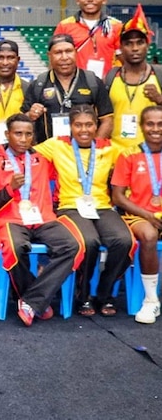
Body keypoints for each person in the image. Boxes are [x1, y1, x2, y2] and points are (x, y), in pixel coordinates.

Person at [34, 104, 134, 317]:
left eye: (89, 125)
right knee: (89, 241)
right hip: (69, 207)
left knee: (124, 240)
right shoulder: (57, 145)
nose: (84, 130)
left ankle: (104, 293)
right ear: (70, 127)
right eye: (78, 125)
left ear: (96, 126)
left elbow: (134, 162)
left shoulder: (110, 148)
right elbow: (21, 150)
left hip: (102, 207)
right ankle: (84, 294)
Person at [0, 114, 82, 326]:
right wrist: (10, 189)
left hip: (43, 218)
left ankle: (30, 301)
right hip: (9, 220)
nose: (23, 139)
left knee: (71, 246)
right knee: (15, 247)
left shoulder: (42, 159)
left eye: (28, 134)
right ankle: (35, 299)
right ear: (7, 135)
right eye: (18, 133)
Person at [111, 105, 162, 324]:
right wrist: (149, 215)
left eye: (160, 124)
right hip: (138, 215)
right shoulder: (129, 154)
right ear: (142, 127)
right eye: (150, 124)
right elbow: (118, 197)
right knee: (149, 235)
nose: (156, 129)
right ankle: (151, 300)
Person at [22, 34, 113, 143]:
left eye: (68, 51)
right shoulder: (38, 85)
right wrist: (30, 115)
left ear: (75, 52)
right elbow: (23, 121)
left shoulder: (92, 82)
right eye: (58, 53)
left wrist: (93, 149)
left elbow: (107, 120)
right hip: (48, 154)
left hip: (83, 154)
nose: (64, 57)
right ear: (49, 55)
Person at [102, 5, 162, 152]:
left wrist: (160, 99)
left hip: (150, 156)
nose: (134, 48)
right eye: (128, 43)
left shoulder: (159, 75)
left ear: (147, 45)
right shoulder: (110, 78)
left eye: (139, 42)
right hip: (115, 157)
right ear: (121, 47)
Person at [54, 0, 122, 77]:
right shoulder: (64, 26)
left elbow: (123, 59)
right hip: (75, 85)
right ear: (77, 0)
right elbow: (55, 57)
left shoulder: (116, 26)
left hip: (107, 86)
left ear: (104, 0)